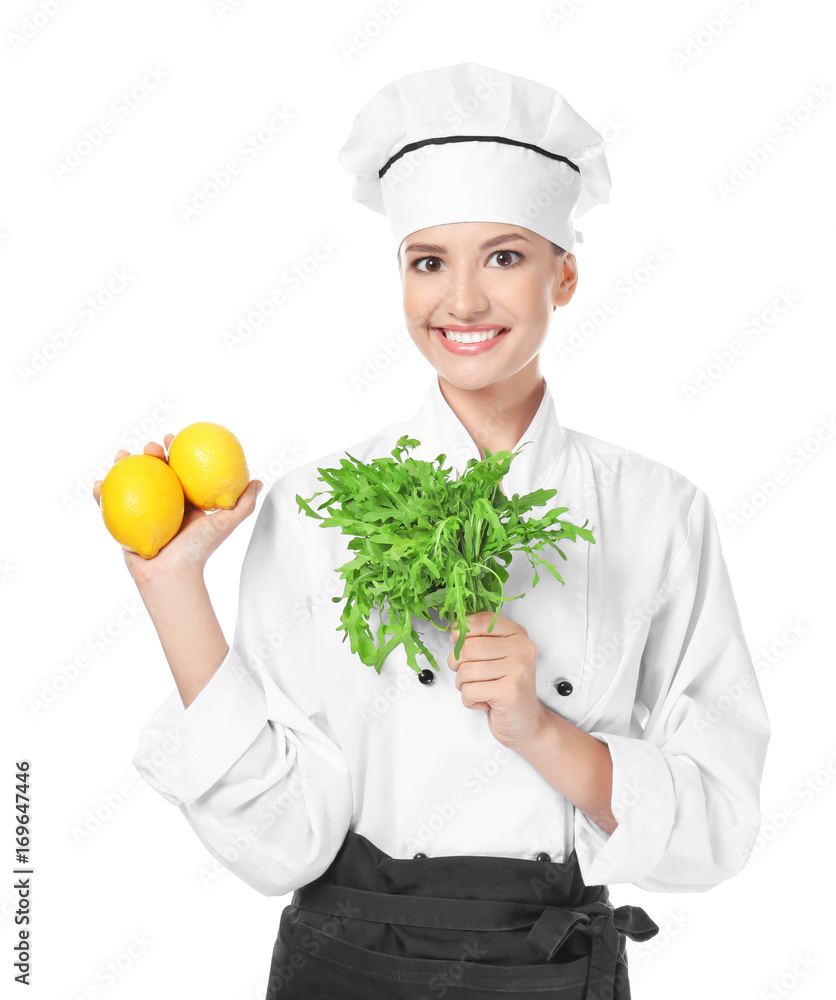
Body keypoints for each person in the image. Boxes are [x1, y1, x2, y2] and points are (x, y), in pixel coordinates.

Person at [94, 62, 770, 999]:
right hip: (348, 969)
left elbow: (719, 825)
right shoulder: (318, 507)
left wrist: (539, 729)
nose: (460, 302)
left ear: (564, 276)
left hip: (551, 967)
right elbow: (283, 838)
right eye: (428, 262)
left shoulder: (657, 513)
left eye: (503, 257)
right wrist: (172, 594)